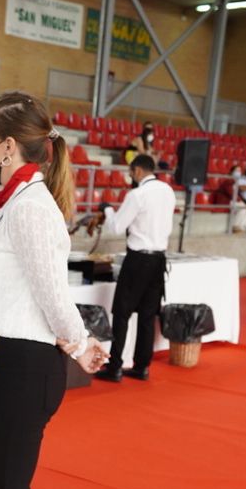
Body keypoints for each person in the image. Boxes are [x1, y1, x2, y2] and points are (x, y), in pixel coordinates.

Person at [0, 90, 109, 489]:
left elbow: (52, 292)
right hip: (10, 359)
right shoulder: (18, 200)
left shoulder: (30, 207)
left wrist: (81, 344)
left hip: (22, 363)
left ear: (7, 145)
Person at [93, 153, 175, 383]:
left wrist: (108, 209)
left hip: (138, 259)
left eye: (131, 173)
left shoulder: (137, 195)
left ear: (138, 171)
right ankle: (141, 366)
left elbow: (117, 227)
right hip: (159, 259)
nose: (131, 177)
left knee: (122, 313)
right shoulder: (167, 191)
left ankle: (115, 366)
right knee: (148, 315)